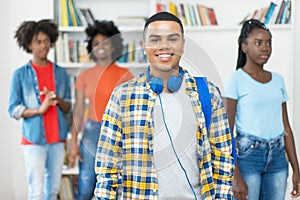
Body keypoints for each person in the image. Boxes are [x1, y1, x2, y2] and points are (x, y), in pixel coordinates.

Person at [94, 12, 234, 199]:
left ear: (183, 45)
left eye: (172, 39)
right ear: (144, 46)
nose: (164, 46)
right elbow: (107, 164)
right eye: (155, 39)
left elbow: (223, 157)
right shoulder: (122, 96)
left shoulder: (207, 93)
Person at [224, 19, 300, 200]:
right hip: (248, 157)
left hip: (278, 158)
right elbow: (226, 131)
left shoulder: (278, 80)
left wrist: (296, 168)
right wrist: (235, 175)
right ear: (244, 46)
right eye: (258, 43)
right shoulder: (236, 80)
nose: (265, 48)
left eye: (268, 43)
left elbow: (286, 127)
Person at [68, 20, 134, 200]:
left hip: (118, 133)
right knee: (86, 187)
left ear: (114, 46)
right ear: (91, 47)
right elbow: (79, 110)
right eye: (96, 43)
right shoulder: (84, 75)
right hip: (91, 133)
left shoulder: (125, 74)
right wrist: (73, 142)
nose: (101, 47)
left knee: (116, 187)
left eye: (106, 43)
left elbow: (130, 111)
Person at [8, 19, 71, 200]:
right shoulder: (20, 74)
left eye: (46, 41)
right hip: (33, 140)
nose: (44, 46)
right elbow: (13, 109)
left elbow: (68, 107)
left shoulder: (61, 73)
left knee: (52, 191)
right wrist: (39, 110)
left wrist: (56, 99)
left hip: (57, 140)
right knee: (36, 191)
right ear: (28, 44)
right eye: (38, 41)